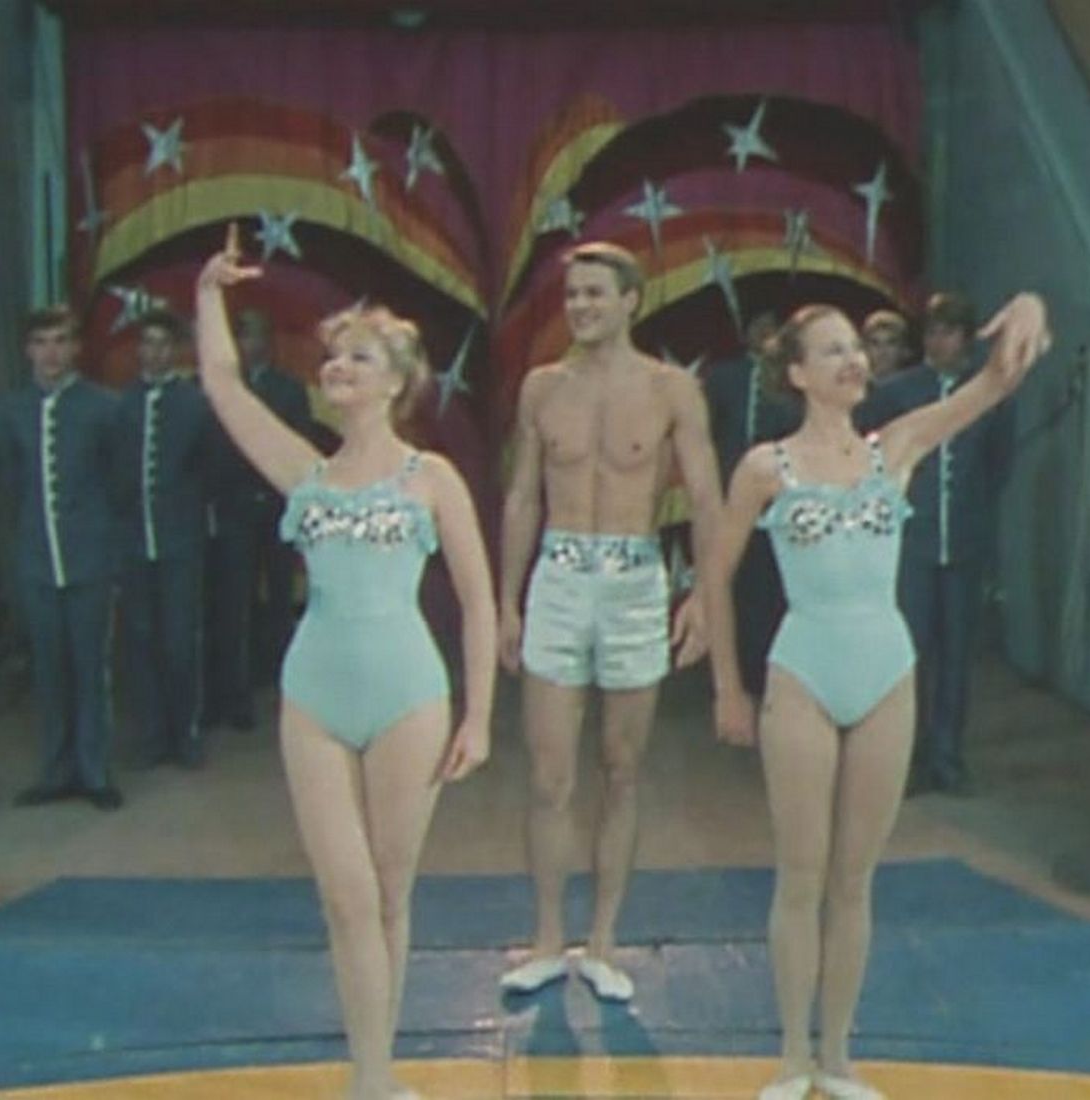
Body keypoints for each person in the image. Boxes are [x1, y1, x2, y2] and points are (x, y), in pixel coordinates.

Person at [705, 294, 1050, 1100]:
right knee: (800, 875)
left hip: (885, 672)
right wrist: (727, 687)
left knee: (854, 880)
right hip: (802, 672)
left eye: (856, 347)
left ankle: (837, 1056)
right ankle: (791, 1056)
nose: (853, 360)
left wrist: (1029, 310)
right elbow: (715, 575)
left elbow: (992, 385)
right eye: (831, 350)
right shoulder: (764, 468)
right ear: (795, 373)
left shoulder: (895, 444)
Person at [196, 224, 495, 1100]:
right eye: (332, 357)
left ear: (396, 381)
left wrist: (479, 716)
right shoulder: (306, 473)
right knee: (346, 897)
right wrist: (209, 294)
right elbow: (222, 384)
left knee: (389, 895)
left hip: (408, 697)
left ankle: (378, 1070)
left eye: (357, 357)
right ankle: (368, 1080)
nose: (337, 368)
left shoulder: (432, 478)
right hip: (315, 697)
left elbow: (478, 603)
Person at [498, 241, 723, 1003]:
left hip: (633, 580)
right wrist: (506, 599)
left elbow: (706, 498)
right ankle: (545, 940)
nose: (580, 307)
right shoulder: (541, 387)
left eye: (595, 293)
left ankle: (601, 943)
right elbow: (522, 496)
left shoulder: (670, 389)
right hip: (558, 576)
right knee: (548, 774)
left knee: (622, 767)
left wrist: (704, 597)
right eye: (572, 295)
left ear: (630, 300)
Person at [858, 292, 1013, 794]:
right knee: (908, 654)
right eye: (931, 331)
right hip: (911, 545)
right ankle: (904, 757)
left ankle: (947, 756)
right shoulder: (898, 392)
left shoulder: (986, 394)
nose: (937, 341)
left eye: (947, 332)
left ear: (966, 338)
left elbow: (998, 465)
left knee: (956, 655)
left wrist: (973, 518)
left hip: (963, 545)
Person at [0, 304, 124, 811]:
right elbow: (10, 483)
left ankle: (94, 771)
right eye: (41, 342)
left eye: (61, 341)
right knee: (48, 670)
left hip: (89, 558)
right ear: (28, 350)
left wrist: (106, 545)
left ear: (76, 348)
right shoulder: (12, 410)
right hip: (37, 560)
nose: (51, 353)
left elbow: (118, 484)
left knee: (90, 667)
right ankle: (55, 769)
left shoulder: (103, 408)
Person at [202, 307, 314, 731]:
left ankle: (289, 693)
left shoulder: (289, 390)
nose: (250, 344)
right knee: (234, 603)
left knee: (281, 601)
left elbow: (299, 449)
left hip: (277, 510)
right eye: (242, 336)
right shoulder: (222, 391)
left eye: (255, 335)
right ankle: (236, 695)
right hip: (233, 510)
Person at [114, 308, 214, 768]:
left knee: (179, 639)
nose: (154, 353)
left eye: (162, 344)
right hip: (134, 541)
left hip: (180, 540)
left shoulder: (194, 404)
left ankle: (185, 731)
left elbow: (209, 470)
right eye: (147, 344)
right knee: (140, 638)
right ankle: (152, 734)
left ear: (175, 350)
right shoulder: (122, 404)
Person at [702, 309, 802, 705]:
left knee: (772, 594)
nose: (765, 334)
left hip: (779, 508)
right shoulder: (723, 378)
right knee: (732, 588)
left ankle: (772, 679)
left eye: (772, 328)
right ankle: (734, 681)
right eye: (758, 326)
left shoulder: (792, 384)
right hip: (731, 503)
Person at [860, 308, 910, 384]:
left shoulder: (915, 386)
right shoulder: (855, 387)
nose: (882, 351)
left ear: (904, 349)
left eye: (891, 343)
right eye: (875, 343)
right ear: (865, 348)